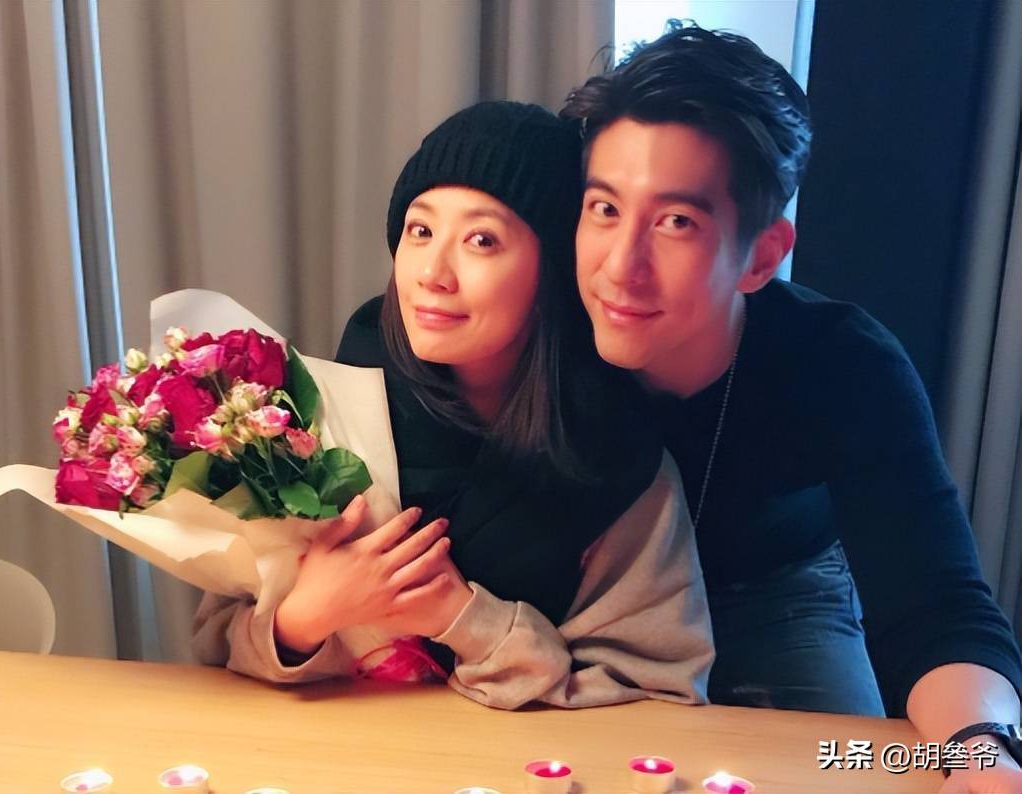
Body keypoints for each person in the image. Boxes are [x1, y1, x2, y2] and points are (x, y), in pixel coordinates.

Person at [562, 22, 1022, 787]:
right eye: (604, 209)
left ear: (763, 255)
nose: (620, 267)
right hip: (593, 603)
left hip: (778, 594)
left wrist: (984, 748)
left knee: (847, 774)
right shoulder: (541, 326)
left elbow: (936, 605)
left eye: (677, 222)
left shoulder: (843, 362)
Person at [192, 101, 714, 709]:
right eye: (420, 231)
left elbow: (655, 691)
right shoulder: (311, 421)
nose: (433, 273)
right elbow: (213, 643)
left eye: (481, 240)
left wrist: (459, 615)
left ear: (552, 271)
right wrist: (304, 616)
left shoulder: (614, 458)